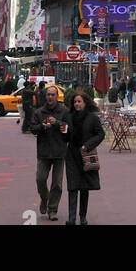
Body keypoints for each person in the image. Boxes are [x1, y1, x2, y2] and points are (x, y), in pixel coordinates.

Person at [64, 90, 105, 226]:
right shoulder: (68, 116)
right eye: (75, 102)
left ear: (85, 103)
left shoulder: (92, 118)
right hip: (71, 154)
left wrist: (87, 145)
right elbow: (65, 136)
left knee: (84, 187)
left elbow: (100, 134)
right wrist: (63, 132)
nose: (77, 104)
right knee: (72, 186)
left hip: (86, 154)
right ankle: (71, 218)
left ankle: (82, 217)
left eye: (79, 101)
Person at [34, 84, 71, 221]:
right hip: (44, 151)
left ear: (57, 96)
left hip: (59, 151)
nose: (50, 97)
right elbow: (32, 128)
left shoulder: (64, 111)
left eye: (52, 95)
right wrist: (41, 126)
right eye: (48, 95)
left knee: (57, 183)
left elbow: (68, 128)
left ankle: (52, 209)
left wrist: (57, 123)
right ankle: (45, 198)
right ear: (46, 96)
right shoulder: (39, 112)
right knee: (40, 179)